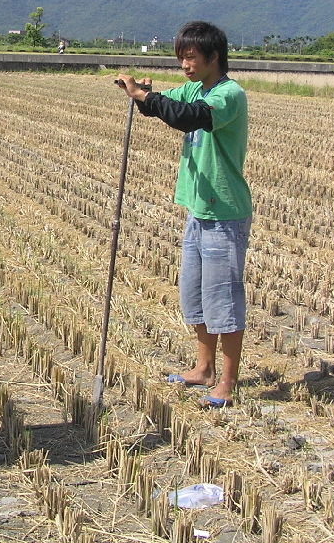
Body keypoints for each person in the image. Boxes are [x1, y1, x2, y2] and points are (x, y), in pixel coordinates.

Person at [115, 21, 251, 408]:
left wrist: (147, 96)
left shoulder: (227, 95)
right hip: (197, 208)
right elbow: (167, 105)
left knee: (223, 297)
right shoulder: (195, 88)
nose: (185, 66)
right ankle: (202, 368)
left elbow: (187, 116)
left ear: (213, 57)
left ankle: (227, 381)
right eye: (181, 59)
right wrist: (141, 94)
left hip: (224, 212)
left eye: (190, 58)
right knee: (194, 295)